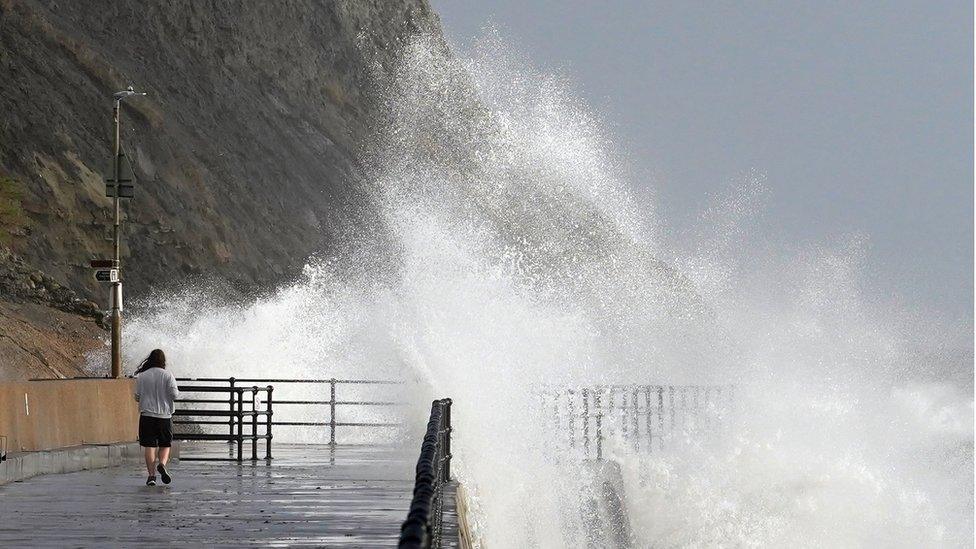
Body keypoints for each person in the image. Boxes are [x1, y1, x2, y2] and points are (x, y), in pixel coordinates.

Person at [133, 349, 179, 486]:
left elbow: (136, 396)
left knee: (149, 446)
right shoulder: (168, 375)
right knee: (165, 444)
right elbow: (174, 395)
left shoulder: (142, 376)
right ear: (163, 361)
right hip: (164, 415)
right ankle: (162, 464)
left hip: (147, 415)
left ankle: (151, 476)